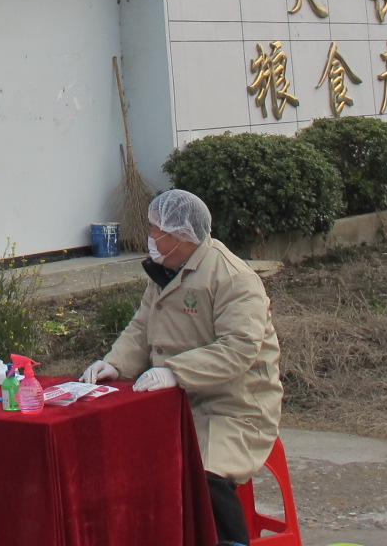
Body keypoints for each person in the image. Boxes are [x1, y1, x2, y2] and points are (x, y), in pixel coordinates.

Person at [79, 189, 281, 546]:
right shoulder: (166, 271)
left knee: (205, 473)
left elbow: (239, 349)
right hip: (175, 402)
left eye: (156, 230)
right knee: (123, 462)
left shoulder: (232, 278)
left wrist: (176, 372)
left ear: (181, 235)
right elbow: (142, 326)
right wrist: (114, 364)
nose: (150, 236)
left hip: (233, 407)